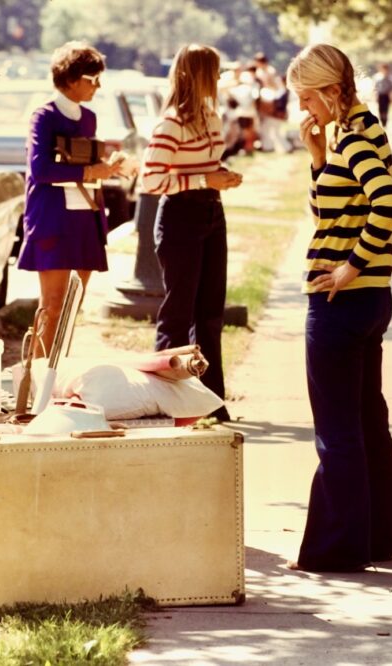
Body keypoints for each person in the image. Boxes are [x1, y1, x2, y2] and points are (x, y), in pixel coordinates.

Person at [286, 43, 392, 573]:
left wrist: (350, 267)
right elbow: (332, 213)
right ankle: (375, 537)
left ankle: (336, 549)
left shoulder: (356, 138)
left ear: (332, 91)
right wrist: (316, 159)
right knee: (366, 421)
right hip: (368, 302)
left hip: (341, 302)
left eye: (308, 98)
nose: (304, 109)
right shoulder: (359, 131)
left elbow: (389, 203)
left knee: (337, 430)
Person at [141, 44, 243, 421]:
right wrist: (204, 178)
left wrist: (222, 177)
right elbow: (151, 179)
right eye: (213, 71)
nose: (218, 79)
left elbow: (207, 166)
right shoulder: (170, 123)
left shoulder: (211, 116)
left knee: (211, 311)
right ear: (196, 74)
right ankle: (168, 397)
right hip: (180, 218)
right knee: (178, 313)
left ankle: (211, 400)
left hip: (212, 212)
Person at [18, 41, 123, 356]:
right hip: (52, 218)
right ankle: (36, 382)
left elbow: (87, 164)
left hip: (84, 216)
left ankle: (57, 376)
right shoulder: (44, 116)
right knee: (52, 305)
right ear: (70, 79)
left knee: (72, 306)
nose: (98, 86)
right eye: (92, 79)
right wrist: (92, 172)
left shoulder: (89, 118)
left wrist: (112, 168)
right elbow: (40, 169)